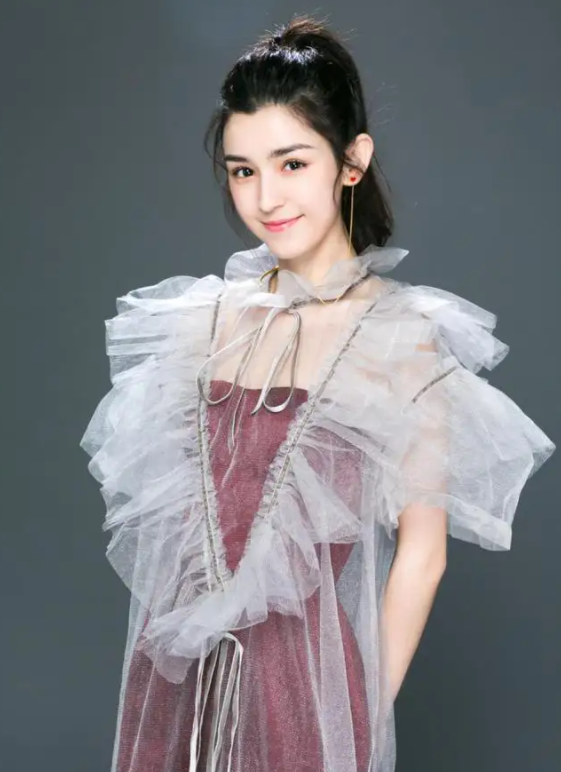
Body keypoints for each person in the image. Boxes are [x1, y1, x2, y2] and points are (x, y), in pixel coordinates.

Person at [80, 14, 556, 772]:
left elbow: (422, 555)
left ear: (351, 161)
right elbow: (168, 552)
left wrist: (355, 720)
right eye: (242, 170)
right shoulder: (200, 324)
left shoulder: (399, 338)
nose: (266, 196)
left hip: (302, 696)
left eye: (292, 163)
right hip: (172, 685)